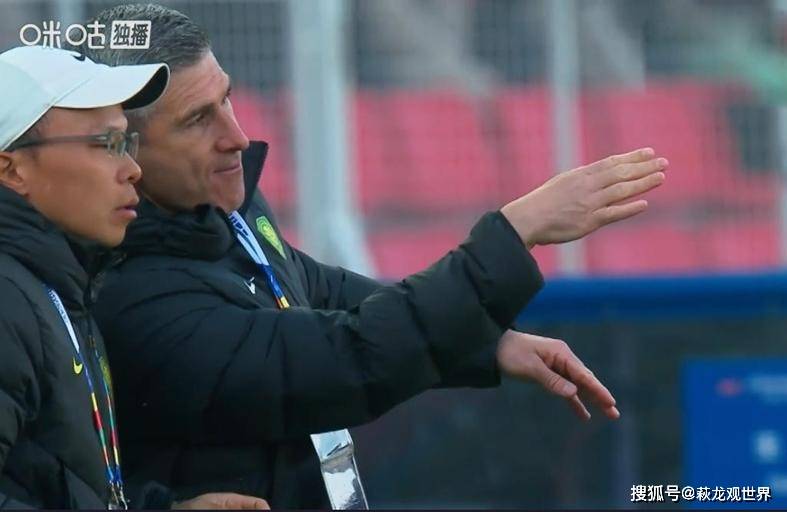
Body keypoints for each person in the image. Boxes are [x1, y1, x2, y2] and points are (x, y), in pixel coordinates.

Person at [77, 4, 668, 509]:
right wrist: (515, 233)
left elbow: (315, 288)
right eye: (197, 120)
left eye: (226, 98)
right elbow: (346, 359)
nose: (236, 136)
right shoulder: (134, 297)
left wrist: (485, 341)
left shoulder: (216, 208)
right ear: (125, 150)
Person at [0, 45, 267, 511]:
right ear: (11, 169)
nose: (132, 169)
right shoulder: (9, 300)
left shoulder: (60, 285)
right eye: (106, 145)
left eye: (127, 143)